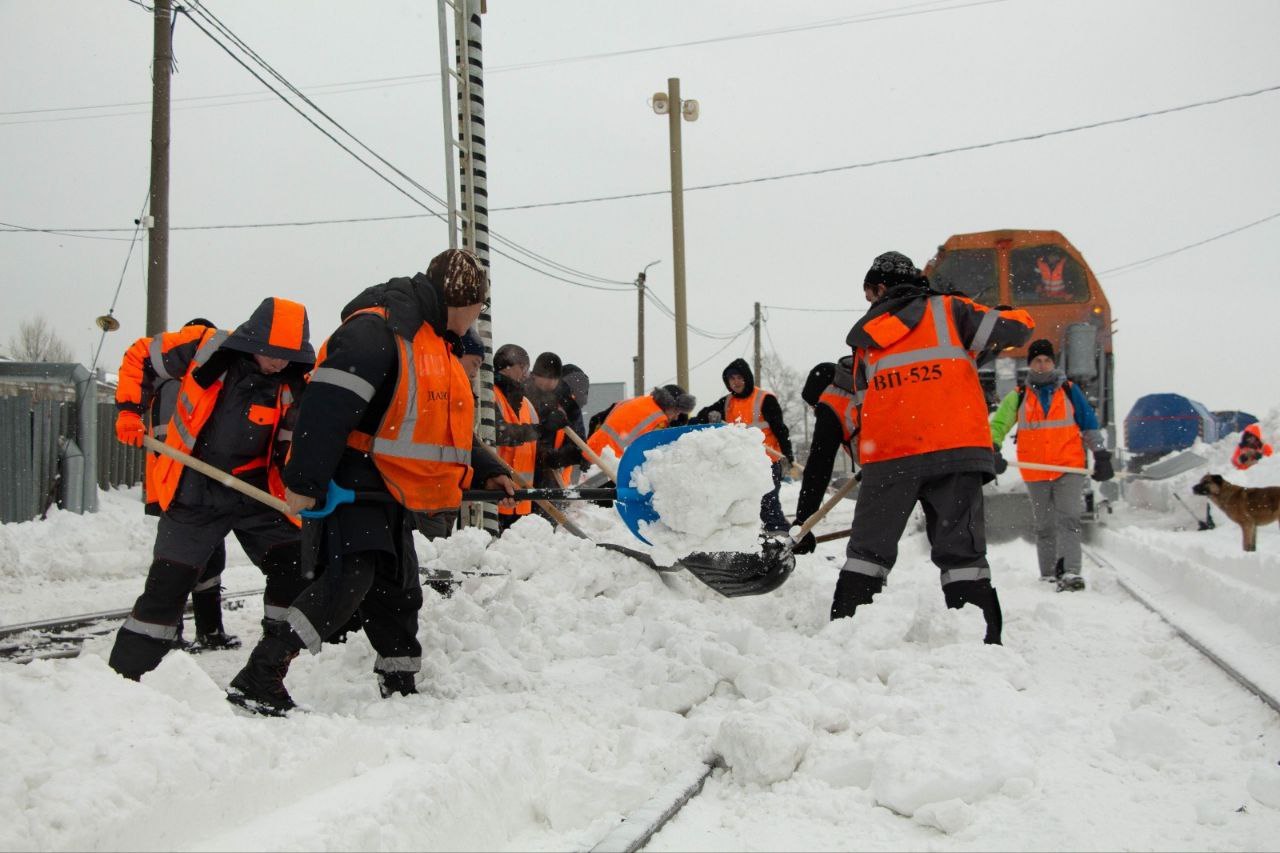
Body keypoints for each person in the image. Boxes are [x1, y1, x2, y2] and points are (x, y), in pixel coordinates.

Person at [225, 249, 516, 715]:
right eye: (477, 310)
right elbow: (326, 408)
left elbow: (447, 428)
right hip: (352, 479)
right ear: (458, 300)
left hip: (392, 486)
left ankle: (399, 680)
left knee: (398, 586)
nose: (477, 320)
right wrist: (304, 480)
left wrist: (490, 468)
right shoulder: (377, 331)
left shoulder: (434, 343)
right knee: (348, 582)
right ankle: (260, 675)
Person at [107, 298, 316, 680]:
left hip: (257, 494)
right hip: (196, 490)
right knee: (167, 587)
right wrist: (127, 410)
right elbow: (140, 356)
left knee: (294, 568)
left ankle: (272, 664)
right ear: (254, 339)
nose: (279, 363)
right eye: (273, 354)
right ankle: (127, 679)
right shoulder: (204, 348)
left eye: (288, 356)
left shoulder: (297, 381)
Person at [834, 251, 1035, 644]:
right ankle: (976, 640)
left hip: (889, 456)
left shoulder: (867, 339)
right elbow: (1016, 329)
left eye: (869, 293)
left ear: (879, 288)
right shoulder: (952, 312)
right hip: (954, 451)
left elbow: (860, 404)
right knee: (962, 555)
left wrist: (869, 456)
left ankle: (844, 637)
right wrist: (1005, 312)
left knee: (867, 554)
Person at [116, 317, 238, 651]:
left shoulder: (164, 384)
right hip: (185, 486)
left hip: (170, 484)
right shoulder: (186, 384)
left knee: (190, 561)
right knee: (185, 563)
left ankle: (199, 631)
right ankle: (193, 632)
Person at [989, 338, 1113, 592]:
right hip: (1035, 471)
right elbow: (999, 425)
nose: (1042, 364)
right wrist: (992, 448)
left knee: (1068, 519)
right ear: (1031, 364)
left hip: (1068, 467)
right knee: (1044, 525)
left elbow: (1088, 423)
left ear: (1053, 363)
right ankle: (1047, 574)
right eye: (1037, 360)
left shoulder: (1069, 391)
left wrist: (1101, 454)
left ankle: (1070, 572)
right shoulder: (1019, 397)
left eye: (1047, 360)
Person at [692, 358, 794, 533]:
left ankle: (779, 535)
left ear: (747, 378)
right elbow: (701, 416)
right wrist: (711, 415)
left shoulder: (765, 399)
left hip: (766, 461)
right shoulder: (727, 402)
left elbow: (780, 429)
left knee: (767, 501)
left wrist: (788, 455)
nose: (736, 382)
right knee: (744, 506)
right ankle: (755, 538)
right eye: (731, 379)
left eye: (739, 377)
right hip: (741, 463)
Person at [791, 356, 859, 555]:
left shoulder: (832, 402)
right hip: (923, 455)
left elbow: (819, 466)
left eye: (813, 406)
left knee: (867, 540)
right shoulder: (859, 393)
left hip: (892, 466)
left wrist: (803, 522)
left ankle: (860, 582)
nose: (815, 412)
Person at [491, 343, 543, 530]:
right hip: (495, 496)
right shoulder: (490, 397)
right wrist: (536, 431)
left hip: (521, 500)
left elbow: (537, 446)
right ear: (507, 366)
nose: (525, 373)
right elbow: (500, 432)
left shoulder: (526, 403)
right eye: (522, 367)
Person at [586, 384, 696, 464]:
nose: (676, 417)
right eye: (676, 411)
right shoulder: (658, 420)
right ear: (669, 405)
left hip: (590, 454)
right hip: (609, 464)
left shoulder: (632, 401)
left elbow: (596, 419)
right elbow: (653, 455)